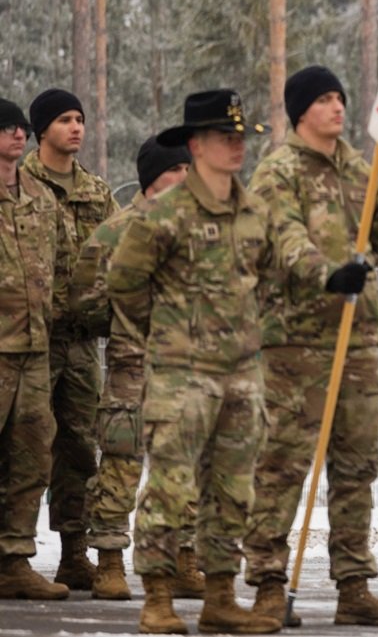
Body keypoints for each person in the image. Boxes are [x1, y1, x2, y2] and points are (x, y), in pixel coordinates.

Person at [107, 89, 332, 634]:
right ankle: (157, 598)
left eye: (240, 138)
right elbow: (124, 283)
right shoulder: (164, 215)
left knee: (233, 492)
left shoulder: (255, 211)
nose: (237, 148)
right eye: (224, 139)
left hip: (242, 377)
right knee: (169, 489)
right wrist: (165, 334)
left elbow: (283, 262)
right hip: (181, 377)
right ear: (195, 146)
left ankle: (218, 597)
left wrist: (334, 275)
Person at [243, 66, 378, 627]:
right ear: (300, 112)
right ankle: (268, 583)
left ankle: (354, 586)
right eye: (324, 99)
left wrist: (363, 260)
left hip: (356, 338)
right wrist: (326, 274)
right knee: (283, 465)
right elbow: (284, 238)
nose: (337, 107)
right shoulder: (278, 171)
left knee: (356, 466)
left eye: (340, 97)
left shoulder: (360, 170)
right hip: (297, 342)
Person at [69, 136, 194, 601]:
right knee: (121, 463)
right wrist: (127, 319)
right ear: (152, 177)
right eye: (175, 170)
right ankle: (109, 561)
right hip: (133, 366)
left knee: (184, 467)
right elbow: (83, 301)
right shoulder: (116, 231)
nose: (185, 178)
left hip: (186, 366)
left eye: (189, 169)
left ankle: (183, 559)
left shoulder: (197, 228)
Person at [22, 88, 118, 591]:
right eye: (64, 119)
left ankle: (74, 553)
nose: (76, 127)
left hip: (81, 343)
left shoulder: (97, 193)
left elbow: (118, 253)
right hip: (29, 344)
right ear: (42, 130)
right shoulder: (19, 185)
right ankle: (11, 553)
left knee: (79, 446)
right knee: (26, 446)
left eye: (80, 118)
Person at [0, 98, 69, 601]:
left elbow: (63, 266)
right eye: (7, 129)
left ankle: (13, 560)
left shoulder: (39, 198)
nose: (18, 135)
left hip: (33, 350)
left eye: (21, 128)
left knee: (31, 459)